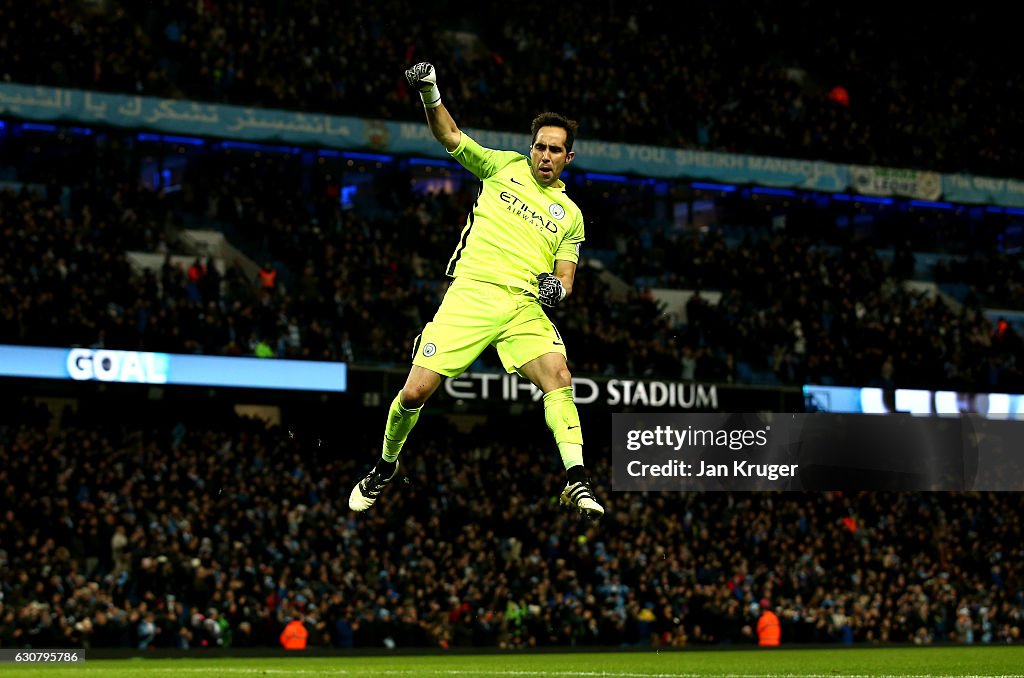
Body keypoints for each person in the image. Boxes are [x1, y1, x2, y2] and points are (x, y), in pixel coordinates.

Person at [348, 62, 603, 519]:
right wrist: (430, 91)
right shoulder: (502, 165)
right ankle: (385, 466)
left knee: (559, 377)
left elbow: (565, 279)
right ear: (530, 149)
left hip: (524, 307)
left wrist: (556, 291)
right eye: (540, 147)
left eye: (555, 150)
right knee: (413, 396)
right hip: (472, 294)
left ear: (569, 158)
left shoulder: (572, 216)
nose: (545, 156)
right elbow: (449, 137)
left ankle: (578, 478)